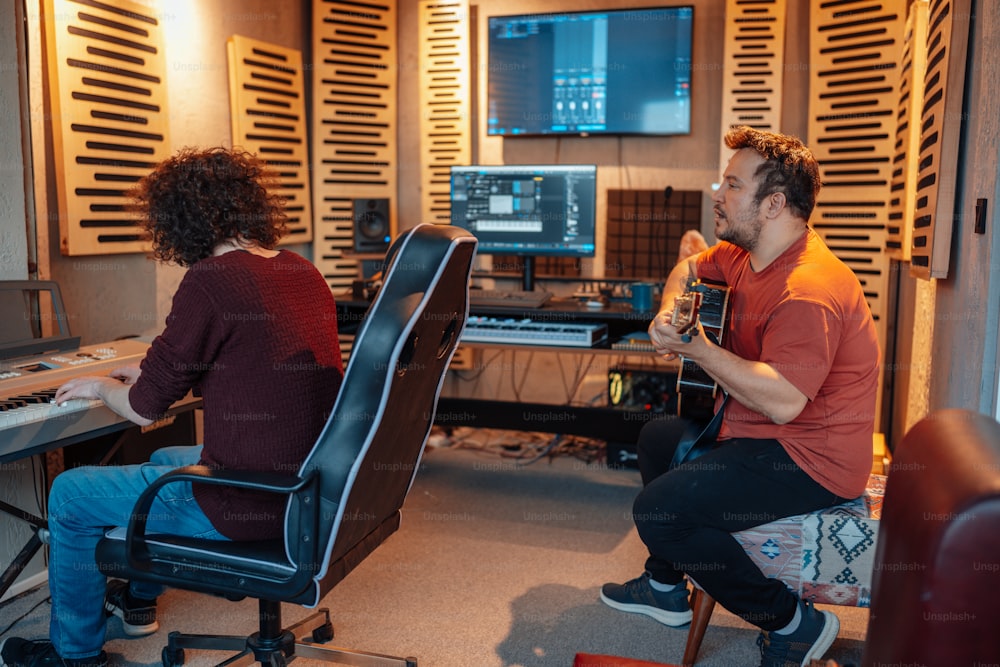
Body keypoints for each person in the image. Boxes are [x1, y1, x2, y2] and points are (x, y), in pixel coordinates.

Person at [0, 147, 344, 667]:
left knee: (70, 493)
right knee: (166, 460)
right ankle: (138, 602)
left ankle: (75, 655)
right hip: (308, 487)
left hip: (248, 501)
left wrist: (98, 388)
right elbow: (251, 363)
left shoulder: (212, 279)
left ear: (181, 220)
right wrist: (158, 373)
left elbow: (142, 410)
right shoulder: (301, 270)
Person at [600, 126, 880, 667]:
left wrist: (697, 348)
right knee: (658, 438)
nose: (716, 194)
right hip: (761, 433)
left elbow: (783, 403)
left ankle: (795, 623)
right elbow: (689, 266)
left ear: (774, 203)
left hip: (811, 459)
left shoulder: (809, 289)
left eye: (731, 184)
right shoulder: (744, 253)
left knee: (657, 513)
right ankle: (663, 588)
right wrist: (669, 311)